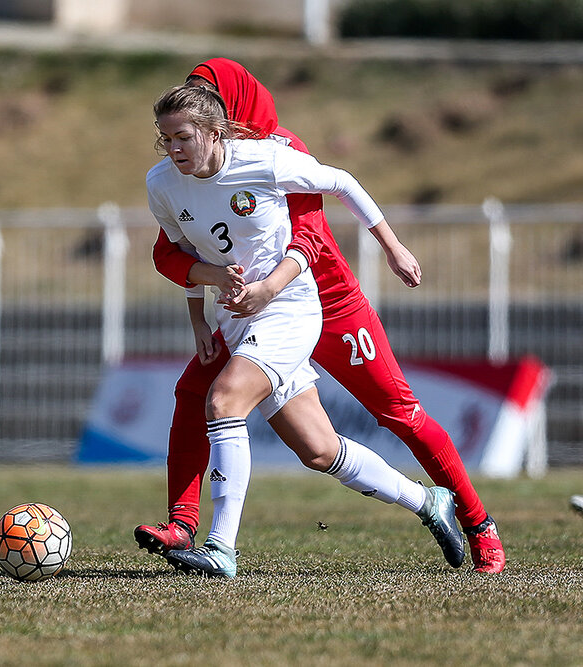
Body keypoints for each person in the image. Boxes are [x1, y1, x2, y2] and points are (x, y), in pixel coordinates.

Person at [135, 58, 506, 574]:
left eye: (203, 94)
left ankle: (480, 524)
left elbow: (310, 234)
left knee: (396, 414)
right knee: (313, 448)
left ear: (226, 109)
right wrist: (201, 311)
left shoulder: (274, 154)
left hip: (312, 300)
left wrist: (391, 248)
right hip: (244, 310)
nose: (174, 143)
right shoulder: (173, 176)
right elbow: (183, 250)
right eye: (166, 135)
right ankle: (428, 502)